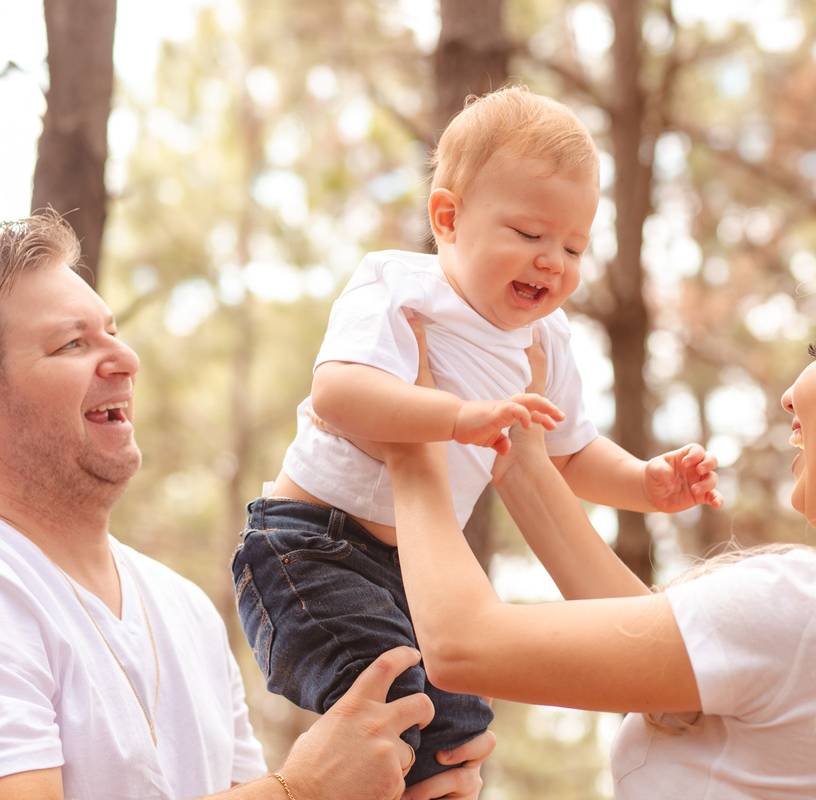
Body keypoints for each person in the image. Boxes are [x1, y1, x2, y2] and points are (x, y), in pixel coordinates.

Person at [380, 246, 816, 799]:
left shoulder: (807, 610)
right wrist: (524, 457)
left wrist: (411, 440)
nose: (789, 393)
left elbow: (463, 645)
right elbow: (660, 659)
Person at [0, 211, 493, 800]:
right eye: (71, 344)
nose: (126, 359)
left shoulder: (186, 609)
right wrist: (301, 789)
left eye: (111, 332)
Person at [232, 84, 722, 786]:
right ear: (449, 217)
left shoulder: (544, 342)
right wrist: (453, 417)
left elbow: (572, 453)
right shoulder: (401, 291)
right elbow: (338, 395)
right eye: (528, 234)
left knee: (461, 733)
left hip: (411, 578)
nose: (553, 260)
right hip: (312, 549)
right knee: (400, 712)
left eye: (574, 246)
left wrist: (645, 484)